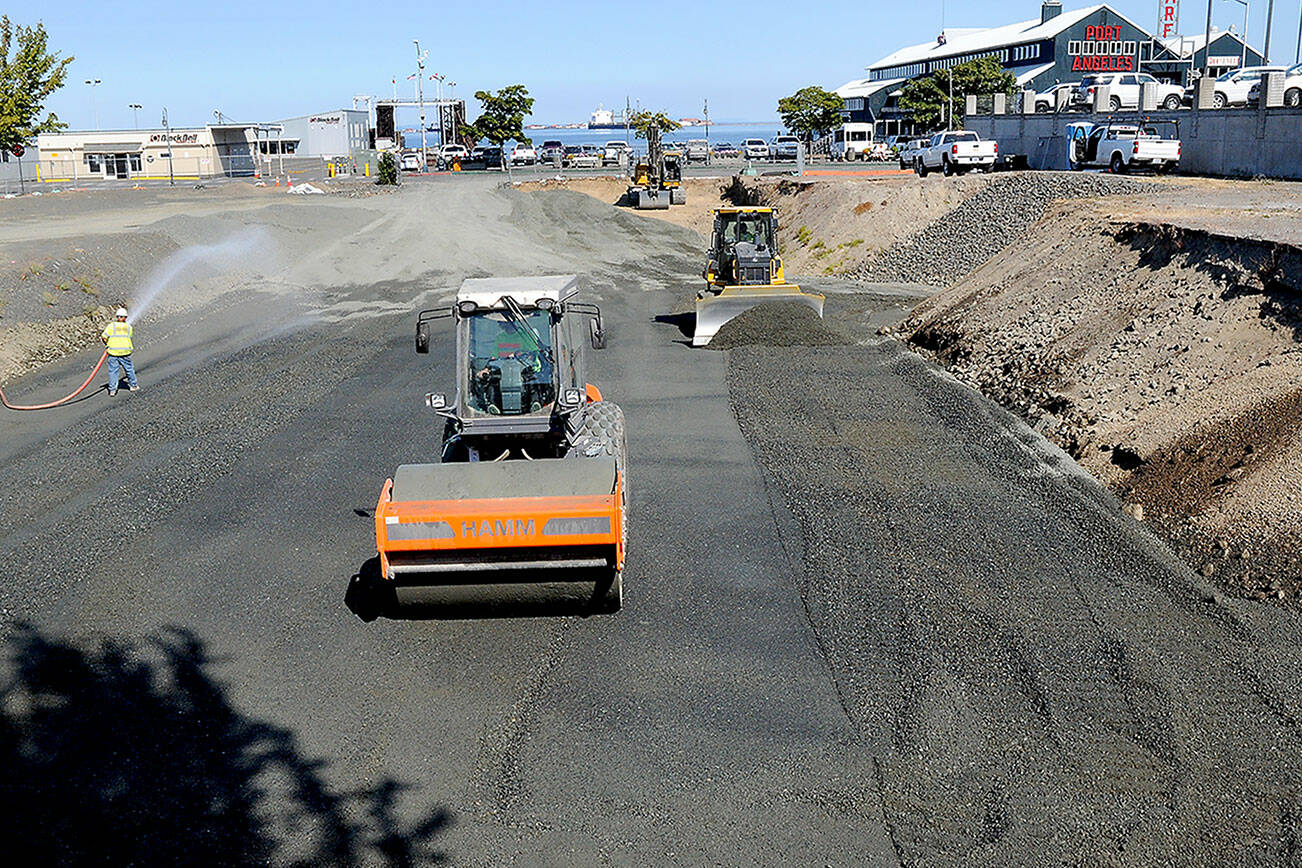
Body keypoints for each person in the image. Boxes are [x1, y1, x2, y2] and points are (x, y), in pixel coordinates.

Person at [101, 307, 138, 396]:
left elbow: (104, 337)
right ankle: (133, 386)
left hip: (113, 353)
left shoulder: (111, 326)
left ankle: (112, 390)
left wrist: (107, 344)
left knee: (113, 371)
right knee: (129, 369)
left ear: (117, 317)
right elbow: (129, 336)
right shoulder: (129, 327)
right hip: (125, 353)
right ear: (126, 317)